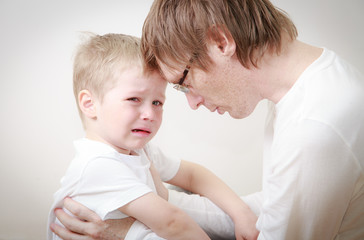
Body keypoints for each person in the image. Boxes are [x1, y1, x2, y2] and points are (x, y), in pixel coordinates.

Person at [51, 0, 364, 239]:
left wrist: (126, 232)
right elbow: (276, 208)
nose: (192, 102)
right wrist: (228, 211)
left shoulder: (314, 128)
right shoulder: (306, 92)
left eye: (184, 82)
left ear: (221, 43)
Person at [48, 32, 259, 240]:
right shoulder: (97, 165)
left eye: (157, 102)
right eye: (134, 99)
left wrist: (241, 212)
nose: (149, 114)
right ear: (89, 104)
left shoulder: (140, 151)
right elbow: (172, 223)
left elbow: (193, 175)